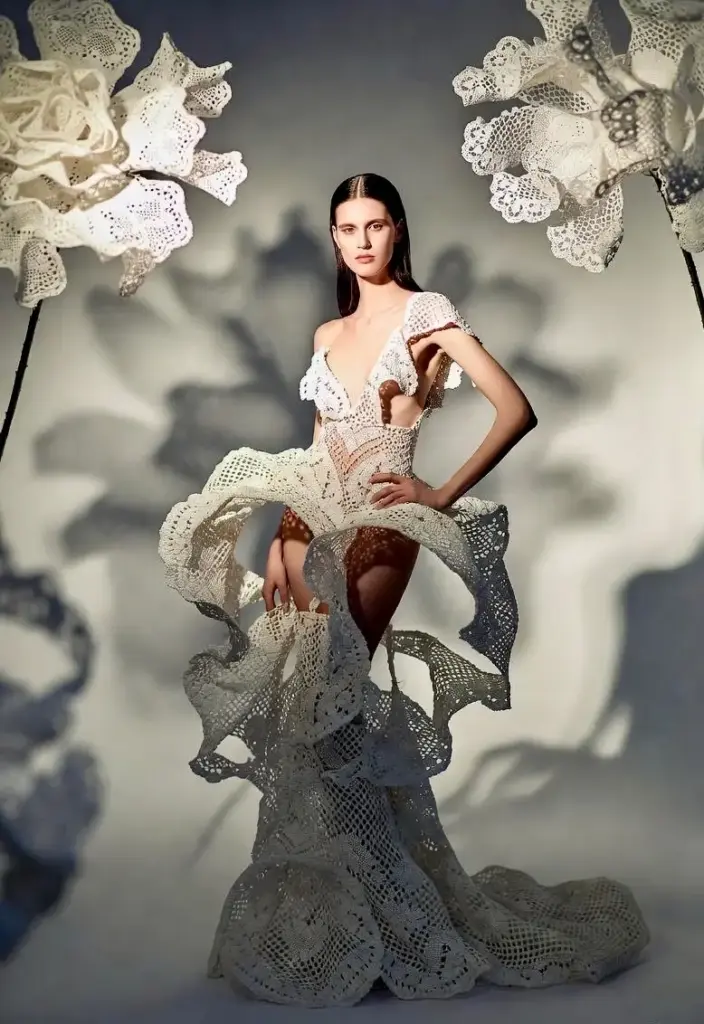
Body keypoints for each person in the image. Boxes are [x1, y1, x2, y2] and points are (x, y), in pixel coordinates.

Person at [158, 173, 649, 1007]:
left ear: (397, 231)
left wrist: (437, 495)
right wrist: (282, 536)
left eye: (376, 225)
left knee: (337, 699)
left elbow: (515, 408)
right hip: (312, 516)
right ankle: (340, 915)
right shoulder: (328, 331)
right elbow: (316, 447)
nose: (361, 241)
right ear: (334, 237)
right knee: (304, 714)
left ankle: (396, 913)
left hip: (384, 521)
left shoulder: (426, 314)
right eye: (347, 227)